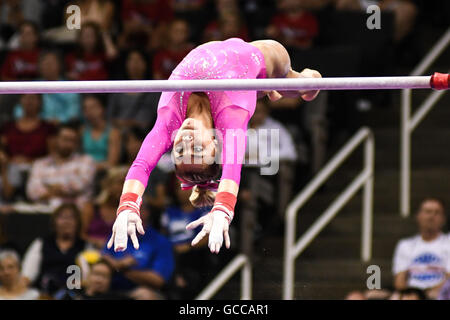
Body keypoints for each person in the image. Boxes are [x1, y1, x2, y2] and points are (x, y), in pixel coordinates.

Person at [107, 38, 321, 255]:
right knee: (305, 86)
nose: (186, 142)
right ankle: (299, 82)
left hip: (233, 69)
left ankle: (264, 91)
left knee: (262, 90)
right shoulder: (231, 115)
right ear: (215, 144)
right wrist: (223, 208)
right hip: (264, 58)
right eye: (198, 150)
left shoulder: (169, 120)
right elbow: (232, 165)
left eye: (180, 152)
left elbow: (142, 164)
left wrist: (127, 205)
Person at [102, 208, 175, 300]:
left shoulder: (160, 241)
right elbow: (104, 256)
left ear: (146, 212)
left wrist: (122, 269)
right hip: (113, 288)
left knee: (144, 295)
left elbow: (158, 280)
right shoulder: (117, 234)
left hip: (145, 290)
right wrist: (119, 264)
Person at [21, 203, 89, 297]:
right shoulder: (41, 243)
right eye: (62, 217)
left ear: (78, 223)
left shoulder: (85, 246)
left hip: (75, 294)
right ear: (54, 222)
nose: (67, 222)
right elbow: (27, 275)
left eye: (71, 218)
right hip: (44, 294)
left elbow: (88, 278)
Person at [26, 122, 96, 209]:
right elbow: (32, 191)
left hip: (75, 211)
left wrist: (51, 188)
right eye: (65, 139)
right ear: (55, 139)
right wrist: (61, 190)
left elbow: (80, 185)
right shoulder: (40, 164)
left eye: (72, 141)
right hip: (44, 211)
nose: (68, 144)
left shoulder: (86, 161)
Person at [392, 198, 450, 299]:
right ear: (418, 216)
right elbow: (399, 282)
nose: (431, 216)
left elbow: (449, 280)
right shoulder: (405, 245)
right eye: (428, 212)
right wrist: (413, 294)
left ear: (443, 219)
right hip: (412, 294)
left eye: (437, 213)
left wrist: (424, 294)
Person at [13, 51, 81, 124]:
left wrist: (60, 120)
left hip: (63, 126)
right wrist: (39, 121)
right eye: (45, 63)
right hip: (36, 125)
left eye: (51, 63)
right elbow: (19, 111)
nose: (48, 66)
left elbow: (73, 113)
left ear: (60, 66)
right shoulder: (32, 86)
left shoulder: (69, 87)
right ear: (40, 66)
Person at [82, 167, 128, 249]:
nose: (124, 188)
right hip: (91, 250)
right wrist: (96, 241)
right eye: (121, 183)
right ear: (108, 185)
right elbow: (81, 234)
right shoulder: (92, 207)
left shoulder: (128, 211)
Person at [81, 94, 121, 171]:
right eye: (85, 108)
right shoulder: (83, 131)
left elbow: (112, 163)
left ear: (102, 108)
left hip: (103, 172)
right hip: (85, 171)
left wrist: (90, 167)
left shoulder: (113, 133)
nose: (89, 111)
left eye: (93, 107)